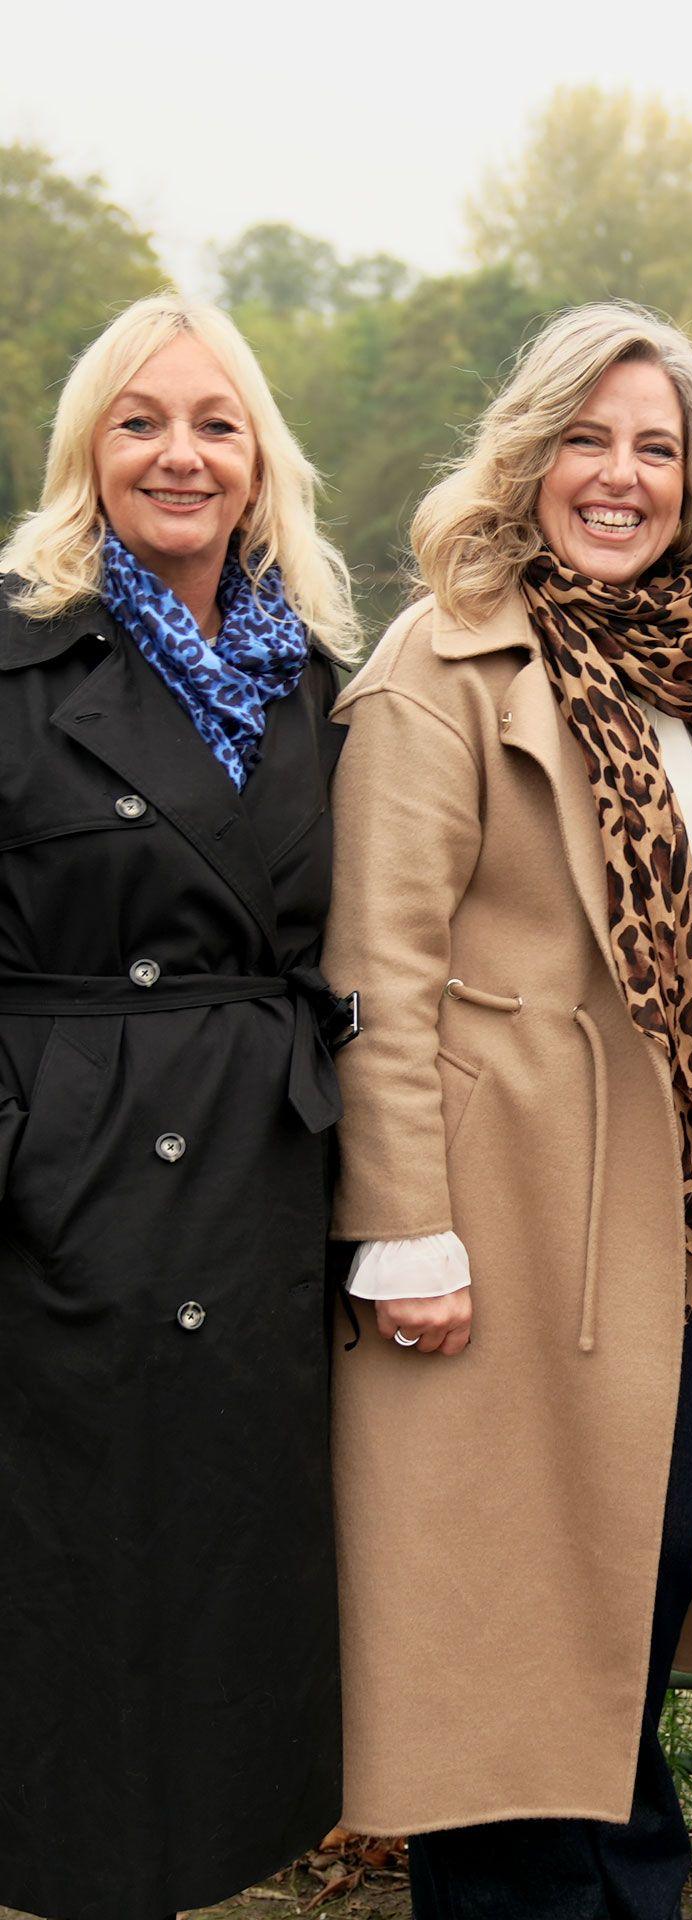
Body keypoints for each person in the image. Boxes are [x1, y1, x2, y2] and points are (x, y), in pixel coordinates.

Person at [323, 301, 692, 1920]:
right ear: (525, 457)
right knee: (506, 1670)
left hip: (673, 1232)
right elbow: (375, 970)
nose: (621, 476)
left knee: (624, 1622)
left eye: (655, 448)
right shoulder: (439, 661)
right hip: (504, 1224)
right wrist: (404, 1235)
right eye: (589, 440)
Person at [0, 293, 359, 1920]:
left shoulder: (314, 678)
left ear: (259, 455)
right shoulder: (14, 655)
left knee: (216, 1604)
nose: (181, 454)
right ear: (87, 449)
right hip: (61, 1193)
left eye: (216, 422)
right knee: (67, 1595)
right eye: (141, 420)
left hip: (256, 1189)